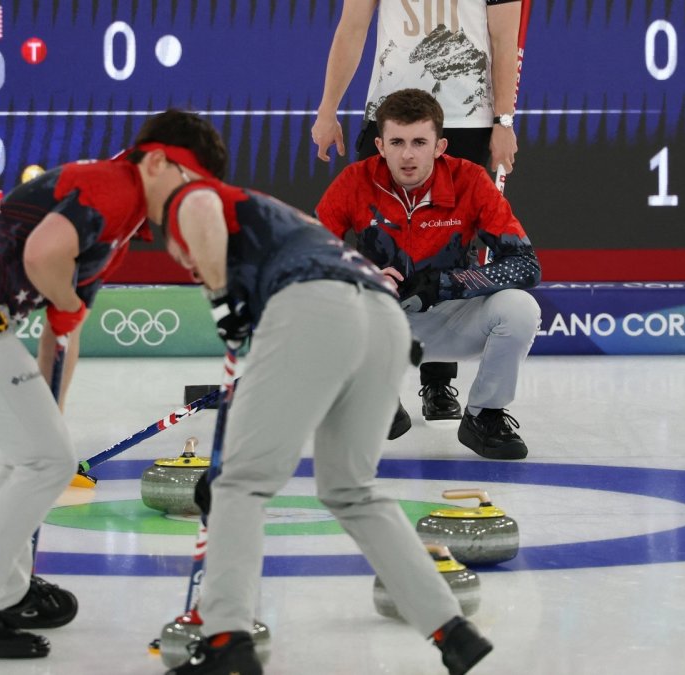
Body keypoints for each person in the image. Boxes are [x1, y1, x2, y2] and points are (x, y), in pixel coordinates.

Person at [159, 124, 492, 674]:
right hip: (381, 319)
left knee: (239, 484)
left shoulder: (190, 197)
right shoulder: (282, 224)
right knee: (352, 492)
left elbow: (215, 247)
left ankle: (226, 645)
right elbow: (279, 364)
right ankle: (452, 630)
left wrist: (224, 309)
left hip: (318, 309)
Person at [0, 110, 228, 660]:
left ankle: (8, 591)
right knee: (45, 460)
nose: (190, 203)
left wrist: (52, 411)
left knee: (33, 453)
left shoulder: (118, 230)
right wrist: (70, 305)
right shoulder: (114, 185)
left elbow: (60, 334)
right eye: (189, 184)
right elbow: (43, 256)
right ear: (156, 162)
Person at [312, 0, 524, 436]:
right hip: (389, 113)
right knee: (378, 245)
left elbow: (504, 38)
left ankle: (438, 383)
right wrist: (327, 108)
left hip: (468, 117)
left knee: (450, 247)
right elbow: (352, 28)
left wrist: (503, 120)